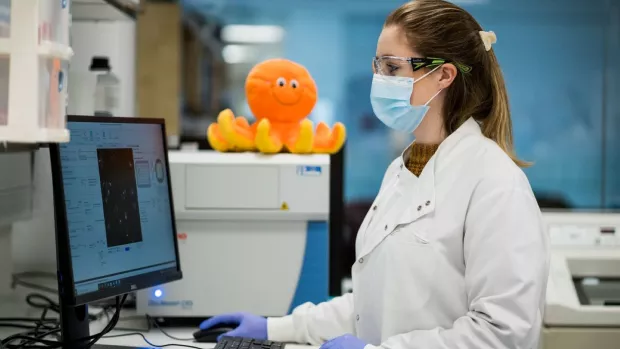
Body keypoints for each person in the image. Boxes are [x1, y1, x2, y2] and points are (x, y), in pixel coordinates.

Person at [199, 0, 550, 348]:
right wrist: (274, 328)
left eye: (392, 68)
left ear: (444, 75)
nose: (379, 80)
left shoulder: (495, 184)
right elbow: (372, 303)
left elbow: (504, 334)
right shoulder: (403, 169)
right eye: (377, 66)